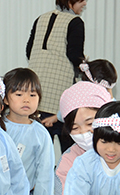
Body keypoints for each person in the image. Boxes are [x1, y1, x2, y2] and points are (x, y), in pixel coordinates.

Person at [2, 68, 54, 195]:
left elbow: (45, 174)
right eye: (19, 94)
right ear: (6, 98)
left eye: (32, 95)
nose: (26, 100)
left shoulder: (40, 133)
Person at [26, 0, 86, 152]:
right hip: (60, 92)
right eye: (82, 0)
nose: (85, 3)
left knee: (40, 149)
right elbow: (74, 55)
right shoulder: (75, 22)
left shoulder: (41, 18)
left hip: (36, 90)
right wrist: (85, 64)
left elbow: (29, 50)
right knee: (69, 149)